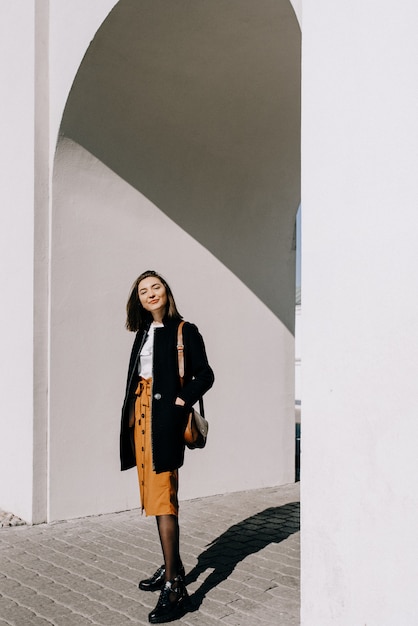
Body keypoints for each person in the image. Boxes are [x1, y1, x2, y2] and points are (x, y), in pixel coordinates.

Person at [120, 270, 214, 623]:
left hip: (164, 423)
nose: (150, 294)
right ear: (139, 300)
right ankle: (171, 563)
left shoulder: (184, 330)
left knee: (163, 498)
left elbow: (205, 374)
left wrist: (181, 402)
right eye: (143, 291)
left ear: (166, 291)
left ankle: (176, 587)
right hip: (141, 423)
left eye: (155, 287)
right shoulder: (143, 332)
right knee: (153, 497)